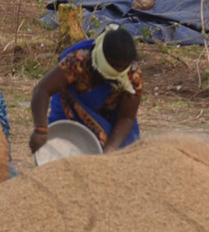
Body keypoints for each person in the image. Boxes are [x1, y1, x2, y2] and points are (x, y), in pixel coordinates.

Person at [29, 25, 142, 155]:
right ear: (104, 57)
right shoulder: (78, 61)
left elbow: (126, 118)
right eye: (115, 66)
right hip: (71, 111)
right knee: (59, 152)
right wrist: (40, 129)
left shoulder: (132, 75)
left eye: (124, 67)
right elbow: (42, 90)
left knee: (124, 159)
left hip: (111, 120)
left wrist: (110, 150)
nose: (119, 71)